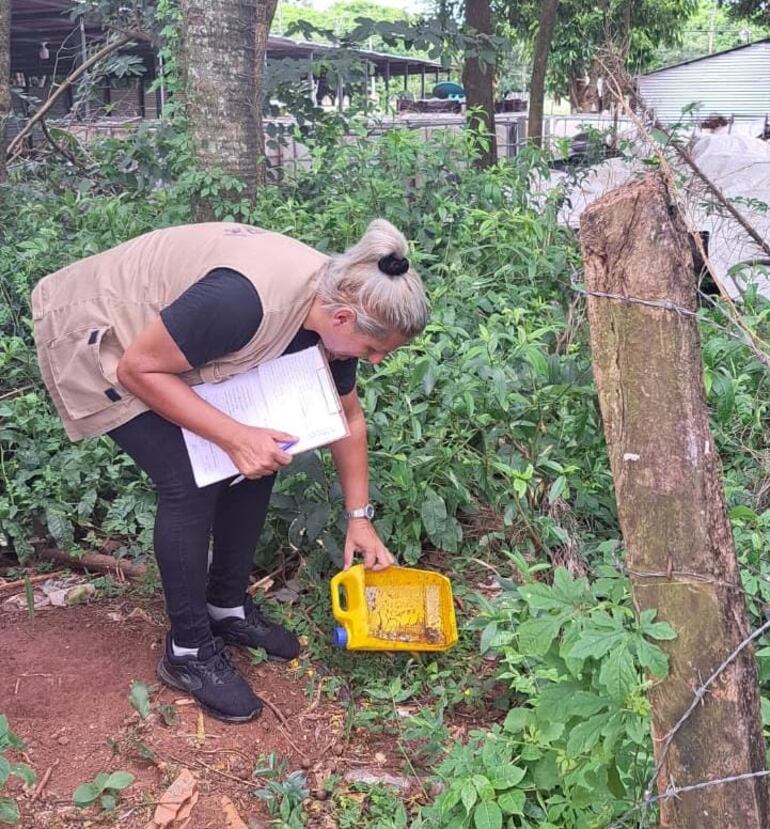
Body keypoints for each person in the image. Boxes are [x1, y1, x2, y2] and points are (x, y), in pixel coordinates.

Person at [31, 219, 429, 723]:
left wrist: (359, 517)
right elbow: (138, 370)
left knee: (262, 455)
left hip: (171, 342)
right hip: (100, 334)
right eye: (373, 351)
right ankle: (189, 651)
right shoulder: (243, 303)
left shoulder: (329, 315)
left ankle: (226, 607)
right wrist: (235, 436)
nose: (371, 362)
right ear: (345, 317)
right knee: (191, 479)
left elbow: (347, 417)